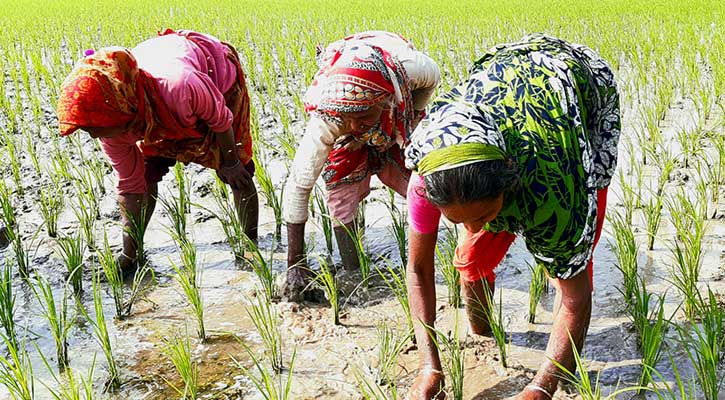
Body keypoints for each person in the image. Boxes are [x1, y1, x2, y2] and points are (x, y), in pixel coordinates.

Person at [404, 34, 620, 399]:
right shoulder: (428, 178)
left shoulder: (553, 181)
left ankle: (565, 374)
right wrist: (429, 366)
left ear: (510, 181)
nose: (473, 227)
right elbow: (417, 270)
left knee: (574, 260)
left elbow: (575, 296)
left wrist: (539, 387)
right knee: (471, 258)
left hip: (581, 93)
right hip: (501, 85)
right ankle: (483, 330)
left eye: (486, 213)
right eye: (458, 220)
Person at [56, 29, 258, 277]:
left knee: (238, 172)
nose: (94, 136)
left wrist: (230, 161)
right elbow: (131, 187)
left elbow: (220, 119)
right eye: (87, 130)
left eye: (95, 126)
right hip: (153, 109)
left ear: (118, 109)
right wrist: (127, 256)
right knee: (147, 175)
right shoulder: (115, 129)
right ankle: (134, 253)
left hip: (213, 75)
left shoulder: (180, 86)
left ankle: (251, 246)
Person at [283, 31, 440, 301]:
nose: (355, 125)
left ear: (384, 101)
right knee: (341, 185)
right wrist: (294, 265)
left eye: (364, 116)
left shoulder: (413, 69)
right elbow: (299, 183)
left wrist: (410, 118)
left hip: (396, 109)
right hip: (358, 101)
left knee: (422, 181)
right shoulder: (330, 115)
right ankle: (353, 271)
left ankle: (426, 263)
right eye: (349, 119)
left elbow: (433, 78)